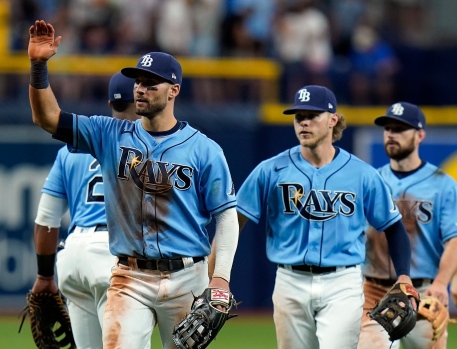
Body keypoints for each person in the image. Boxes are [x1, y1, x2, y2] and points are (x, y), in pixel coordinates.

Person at [27, 20, 239, 349]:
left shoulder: (204, 149)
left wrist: (220, 277)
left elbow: (226, 217)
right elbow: (47, 118)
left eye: (151, 83)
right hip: (129, 275)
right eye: (138, 81)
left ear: (174, 90)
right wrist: (39, 66)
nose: (141, 88)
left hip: (186, 275)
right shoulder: (110, 134)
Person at [233, 85, 416, 349]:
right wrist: (216, 274)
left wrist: (403, 276)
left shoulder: (362, 174)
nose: (303, 122)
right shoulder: (271, 170)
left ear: (333, 120)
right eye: (298, 117)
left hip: (342, 283)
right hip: (289, 280)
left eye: (312, 115)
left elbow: (394, 227)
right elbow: (233, 222)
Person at [30, 72, 144, 349]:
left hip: (74, 256)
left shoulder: (69, 151)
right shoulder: (148, 146)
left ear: (109, 104)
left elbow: (46, 221)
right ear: (141, 101)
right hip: (114, 254)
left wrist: (45, 276)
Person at [357, 102, 457, 349]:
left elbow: (456, 239)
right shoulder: (371, 181)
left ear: (420, 135)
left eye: (400, 129)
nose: (391, 134)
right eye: (388, 128)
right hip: (374, 291)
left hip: (424, 292)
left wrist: (442, 282)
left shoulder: (443, 184)